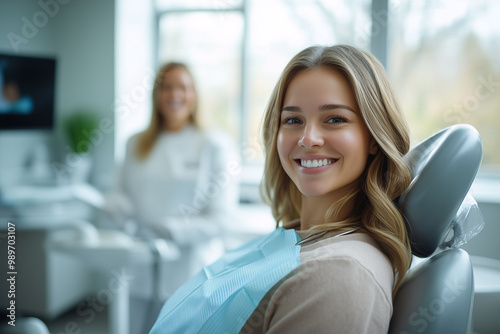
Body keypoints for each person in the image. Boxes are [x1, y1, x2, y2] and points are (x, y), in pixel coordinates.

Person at [149, 45, 412, 334]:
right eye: (293, 120)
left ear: (374, 137)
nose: (307, 138)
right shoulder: (298, 236)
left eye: (335, 119)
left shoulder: (340, 275)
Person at [105, 62, 240, 292]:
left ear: (194, 95)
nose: (174, 94)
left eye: (183, 87)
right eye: (166, 87)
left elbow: (222, 220)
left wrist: (169, 229)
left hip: (193, 270)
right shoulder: (135, 143)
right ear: (156, 95)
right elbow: (119, 193)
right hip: (140, 267)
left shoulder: (214, 145)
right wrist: (115, 208)